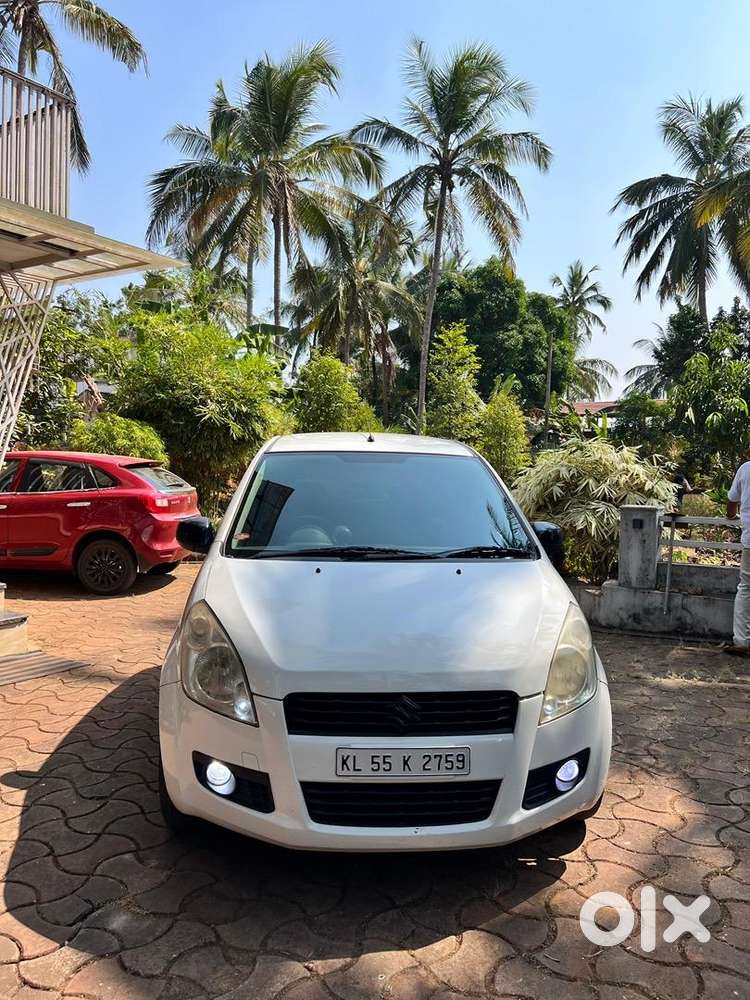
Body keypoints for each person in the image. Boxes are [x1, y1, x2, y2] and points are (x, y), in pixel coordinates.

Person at [725, 457, 750, 655]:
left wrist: (732, 516)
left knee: (746, 589)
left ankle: (742, 641)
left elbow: (732, 502)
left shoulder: (746, 468)